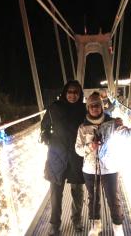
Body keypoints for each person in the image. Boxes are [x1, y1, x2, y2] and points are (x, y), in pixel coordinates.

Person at [75, 91, 131, 236]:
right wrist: (90, 147)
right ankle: (95, 226)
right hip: (89, 169)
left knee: (114, 199)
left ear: (102, 107)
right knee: (93, 199)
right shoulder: (82, 127)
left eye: (97, 105)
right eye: (92, 105)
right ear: (88, 108)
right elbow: (78, 150)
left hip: (110, 168)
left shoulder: (113, 123)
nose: (95, 108)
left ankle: (118, 228)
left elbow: (128, 134)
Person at [41, 80, 86, 235]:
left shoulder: (84, 109)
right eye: (70, 91)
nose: (72, 95)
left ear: (80, 95)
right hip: (57, 155)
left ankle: (77, 220)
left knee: (78, 191)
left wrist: (114, 121)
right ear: (65, 92)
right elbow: (44, 126)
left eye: (76, 92)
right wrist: (48, 139)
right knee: (55, 192)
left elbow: (97, 119)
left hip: (77, 156)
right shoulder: (54, 108)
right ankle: (55, 224)